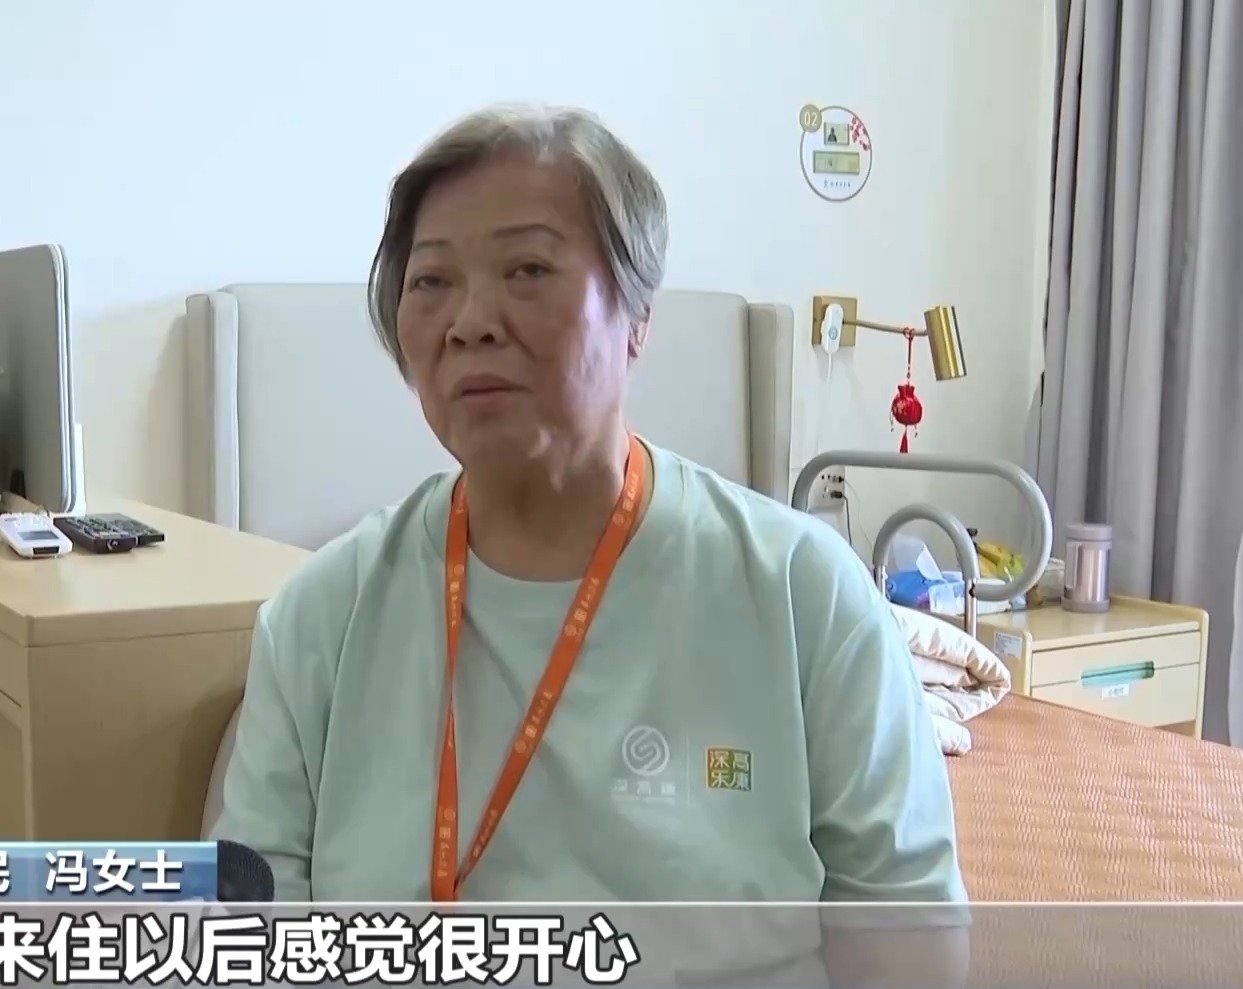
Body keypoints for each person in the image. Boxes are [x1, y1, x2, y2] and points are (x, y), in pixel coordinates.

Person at [212, 105, 965, 930]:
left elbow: (909, 935)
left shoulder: (802, 595)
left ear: (637, 316)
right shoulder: (322, 617)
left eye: (528, 270)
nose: (471, 321)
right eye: (431, 281)